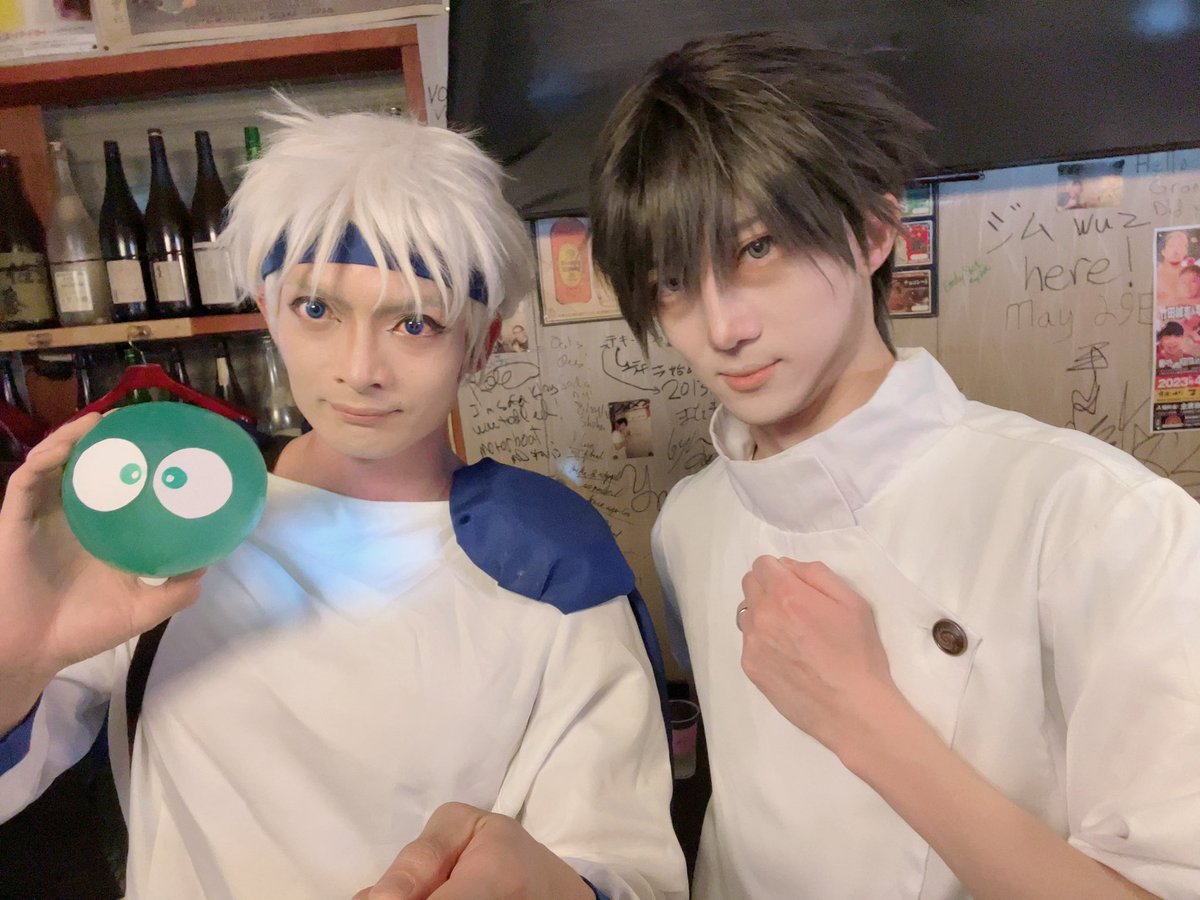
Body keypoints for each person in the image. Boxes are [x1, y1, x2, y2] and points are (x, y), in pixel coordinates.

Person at [0, 103, 686, 900]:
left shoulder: (548, 559)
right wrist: (21, 655)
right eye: (318, 310)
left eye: (416, 323)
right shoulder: (168, 517)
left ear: (482, 344)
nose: (360, 369)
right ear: (268, 309)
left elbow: (624, 862)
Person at [590, 31, 1199, 900]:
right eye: (672, 282)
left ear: (875, 231)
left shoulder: (1099, 519)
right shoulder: (689, 521)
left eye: (757, 249)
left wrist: (863, 719)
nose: (722, 328)